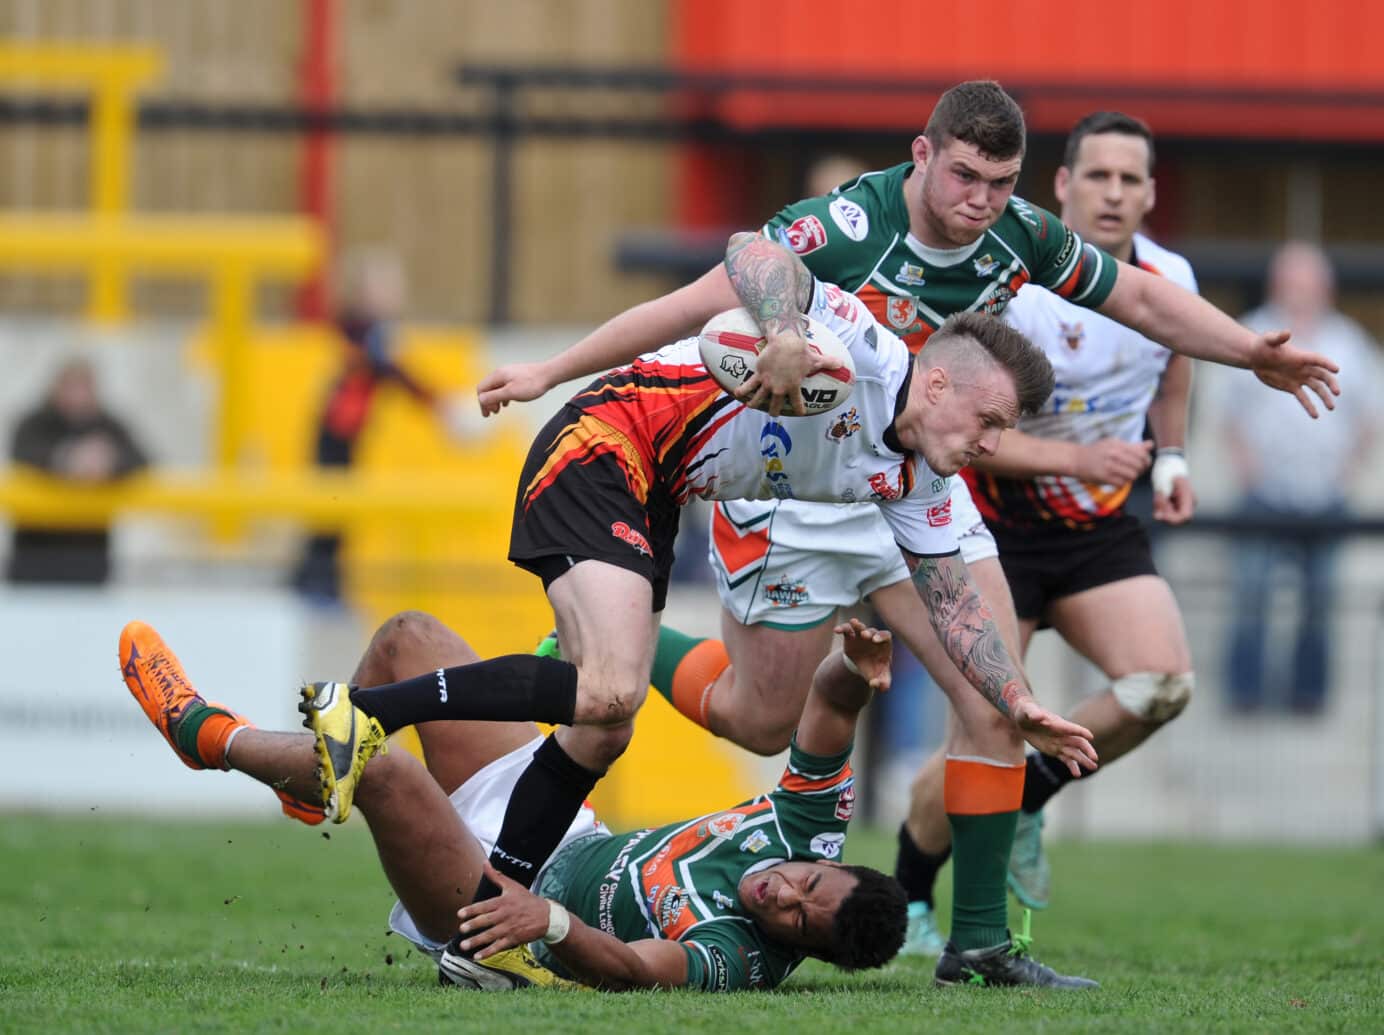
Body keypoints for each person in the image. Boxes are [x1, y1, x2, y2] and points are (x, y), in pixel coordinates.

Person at [477, 81, 1338, 984]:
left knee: (998, 692)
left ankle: (977, 945)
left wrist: (1252, 352)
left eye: (1000, 182)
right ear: (923, 156)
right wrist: (553, 368)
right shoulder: (852, 225)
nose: (983, 200)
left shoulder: (1021, 234)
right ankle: (637, 650)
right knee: (756, 721)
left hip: (921, 479)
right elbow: (712, 290)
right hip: (794, 492)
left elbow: (1140, 300)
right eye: (965, 175)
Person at [328, 232, 1103, 991]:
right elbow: (752, 253)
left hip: (656, 494)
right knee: (608, 692)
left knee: (605, 723)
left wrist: (1020, 702)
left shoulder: (919, 483)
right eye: (991, 421)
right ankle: (366, 713)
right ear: (936, 386)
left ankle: (490, 926)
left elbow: (959, 612)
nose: (994, 444)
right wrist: (788, 331)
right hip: (605, 443)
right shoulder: (860, 345)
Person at [118, 611, 909, 991]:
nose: (785, 895)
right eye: (808, 885)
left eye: (800, 921)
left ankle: (207, 738)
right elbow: (831, 707)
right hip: (552, 823)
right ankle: (318, 779)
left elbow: (635, 970)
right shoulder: (810, 829)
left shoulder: (744, 957)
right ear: (823, 862)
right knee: (408, 639)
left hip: (500, 910)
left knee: (388, 770)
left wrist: (550, 921)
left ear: (806, 951)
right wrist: (856, 666)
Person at [899, 111, 1199, 919]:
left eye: (1128, 178)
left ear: (1149, 194)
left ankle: (1027, 795)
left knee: (1163, 683)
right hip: (996, 525)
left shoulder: (1172, 279)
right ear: (1062, 187)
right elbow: (967, 437)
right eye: (1095, 175)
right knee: (987, 724)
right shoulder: (1011, 287)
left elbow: (1175, 368)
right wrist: (1077, 458)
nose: (1112, 192)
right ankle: (912, 897)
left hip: (1097, 528)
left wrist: (1170, 456)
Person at [1220, 242, 1380, 714]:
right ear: (1276, 285)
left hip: (1326, 500)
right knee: (1250, 598)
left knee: (1319, 602)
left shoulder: (1350, 342)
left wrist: (1348, 470)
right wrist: (1246, 468)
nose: (1301, 293)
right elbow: (1227, 413)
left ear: (1326, 289)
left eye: (1310, 285)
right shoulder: (1249, 334)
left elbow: (1370, 415)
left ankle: (1308, 695)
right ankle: (1245, 694)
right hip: (1263, 497)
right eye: (1293, 284)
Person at [291, 248, 448, 603]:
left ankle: (320, 577)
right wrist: (436, 405)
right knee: (330, 506)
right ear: (363, 293)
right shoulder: (359, 329)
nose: (393, 295)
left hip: (348, 431)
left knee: (339, 507)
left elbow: (392, 373)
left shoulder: (374, 333)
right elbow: (393, 373)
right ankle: (312, 579)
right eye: (383, 288)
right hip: (335, 429)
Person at [7, 356, 148, 584]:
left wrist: (108, 461)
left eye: (83, 388)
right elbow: (22, 453)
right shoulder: (34, 423)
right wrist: (65, 459)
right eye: (71, 388)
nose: (77, 396)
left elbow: (141, 460)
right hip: (34, 556)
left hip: (89, 558)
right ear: (56, 388)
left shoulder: (107, 425)